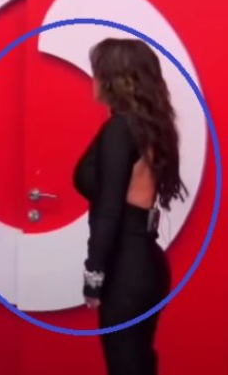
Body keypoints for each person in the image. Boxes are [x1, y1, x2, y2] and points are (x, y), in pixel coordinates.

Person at [74, 38, 187, 374]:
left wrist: (93, 274)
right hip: (146, 263)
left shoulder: (120, 130)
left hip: (127, 268)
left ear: (113, 80)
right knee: (138, 364)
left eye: (98, 72)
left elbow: (109, 209)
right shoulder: (150, 128)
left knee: (126, 366)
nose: (93, 79)